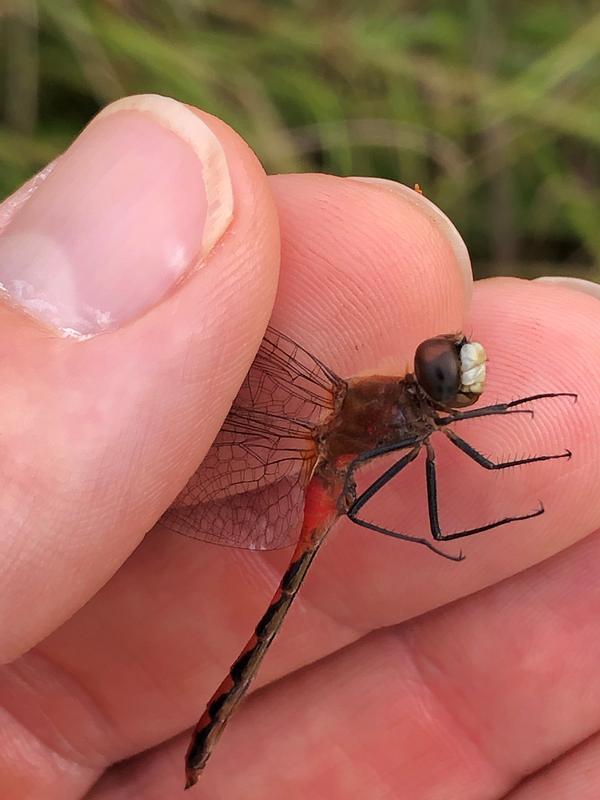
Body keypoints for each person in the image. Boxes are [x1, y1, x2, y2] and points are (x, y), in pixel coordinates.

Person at [1, 94, 599, 799]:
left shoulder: (405, 403)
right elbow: (454, 480)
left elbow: (398, 500)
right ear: (429, 382)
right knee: (438, 510)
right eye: (450, 369)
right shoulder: (401, 415)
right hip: (326, 471)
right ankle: (205, 742)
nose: (462, 368)